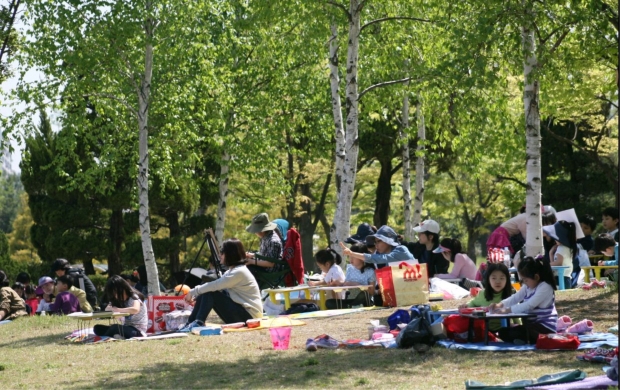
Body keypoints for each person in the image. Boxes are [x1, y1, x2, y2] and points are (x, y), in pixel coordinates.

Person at [178, 238, 263, 331]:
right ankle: (190, 323)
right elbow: (217, 287)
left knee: (210, 291)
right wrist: (197, 297)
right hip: (243, 314)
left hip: (250, 318)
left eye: (222, 252)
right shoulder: (234, 270)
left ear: (231, 254)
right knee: (208, 290)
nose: (219, 255)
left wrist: (193, 291)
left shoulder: (239, 272)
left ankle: (198, 323)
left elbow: (215, 285)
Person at [490, 256, 557, 344]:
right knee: (503, 332)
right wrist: (500, 305)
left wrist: (507, 310)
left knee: (522, 332)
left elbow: (529, 305)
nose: (524, 282)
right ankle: (524, 339)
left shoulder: (545, 287)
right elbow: (515, 297)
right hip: (531, 325)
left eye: (526, 280)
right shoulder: (527, 286)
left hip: (545, 327)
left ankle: (534, 339)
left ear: (536, 277)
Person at [458, 263, 515, 332]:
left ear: (507, 280)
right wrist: (465, 306)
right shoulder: (483, 294)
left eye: (502, 278)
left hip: (506, 330)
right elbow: (473, 303)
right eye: (494, 278)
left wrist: (517, 327)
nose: (498, 281)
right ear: (488, 279)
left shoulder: (512, 295)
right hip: (484, 330)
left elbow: (517, 315)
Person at [326, 243, 376, 309]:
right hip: (350, 299)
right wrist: (338, 283)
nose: (351, 259)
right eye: (349, 256)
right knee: (328, 302)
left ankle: (352, 306)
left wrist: (358, 284)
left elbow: (372, 292)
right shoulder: (349, 268)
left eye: (353, 257)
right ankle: (352, 306)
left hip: (364, 300)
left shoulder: (370, 271)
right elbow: (346, 285)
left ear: (361, 257)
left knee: (364, 294)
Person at [343, 225, 415, 267]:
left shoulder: (401, 249)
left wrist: (352, 254)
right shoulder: (386, 255)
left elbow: (378, 258)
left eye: (378, 241)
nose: (376, 245)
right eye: (375, 242)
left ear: (388, 241)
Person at [544, 220, 577, 289]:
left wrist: (545, 265)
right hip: (563, 277)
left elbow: (558, 263)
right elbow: (556, 262)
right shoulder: (566, 248)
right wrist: (551, 254)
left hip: (562, 278)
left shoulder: (562, 248)